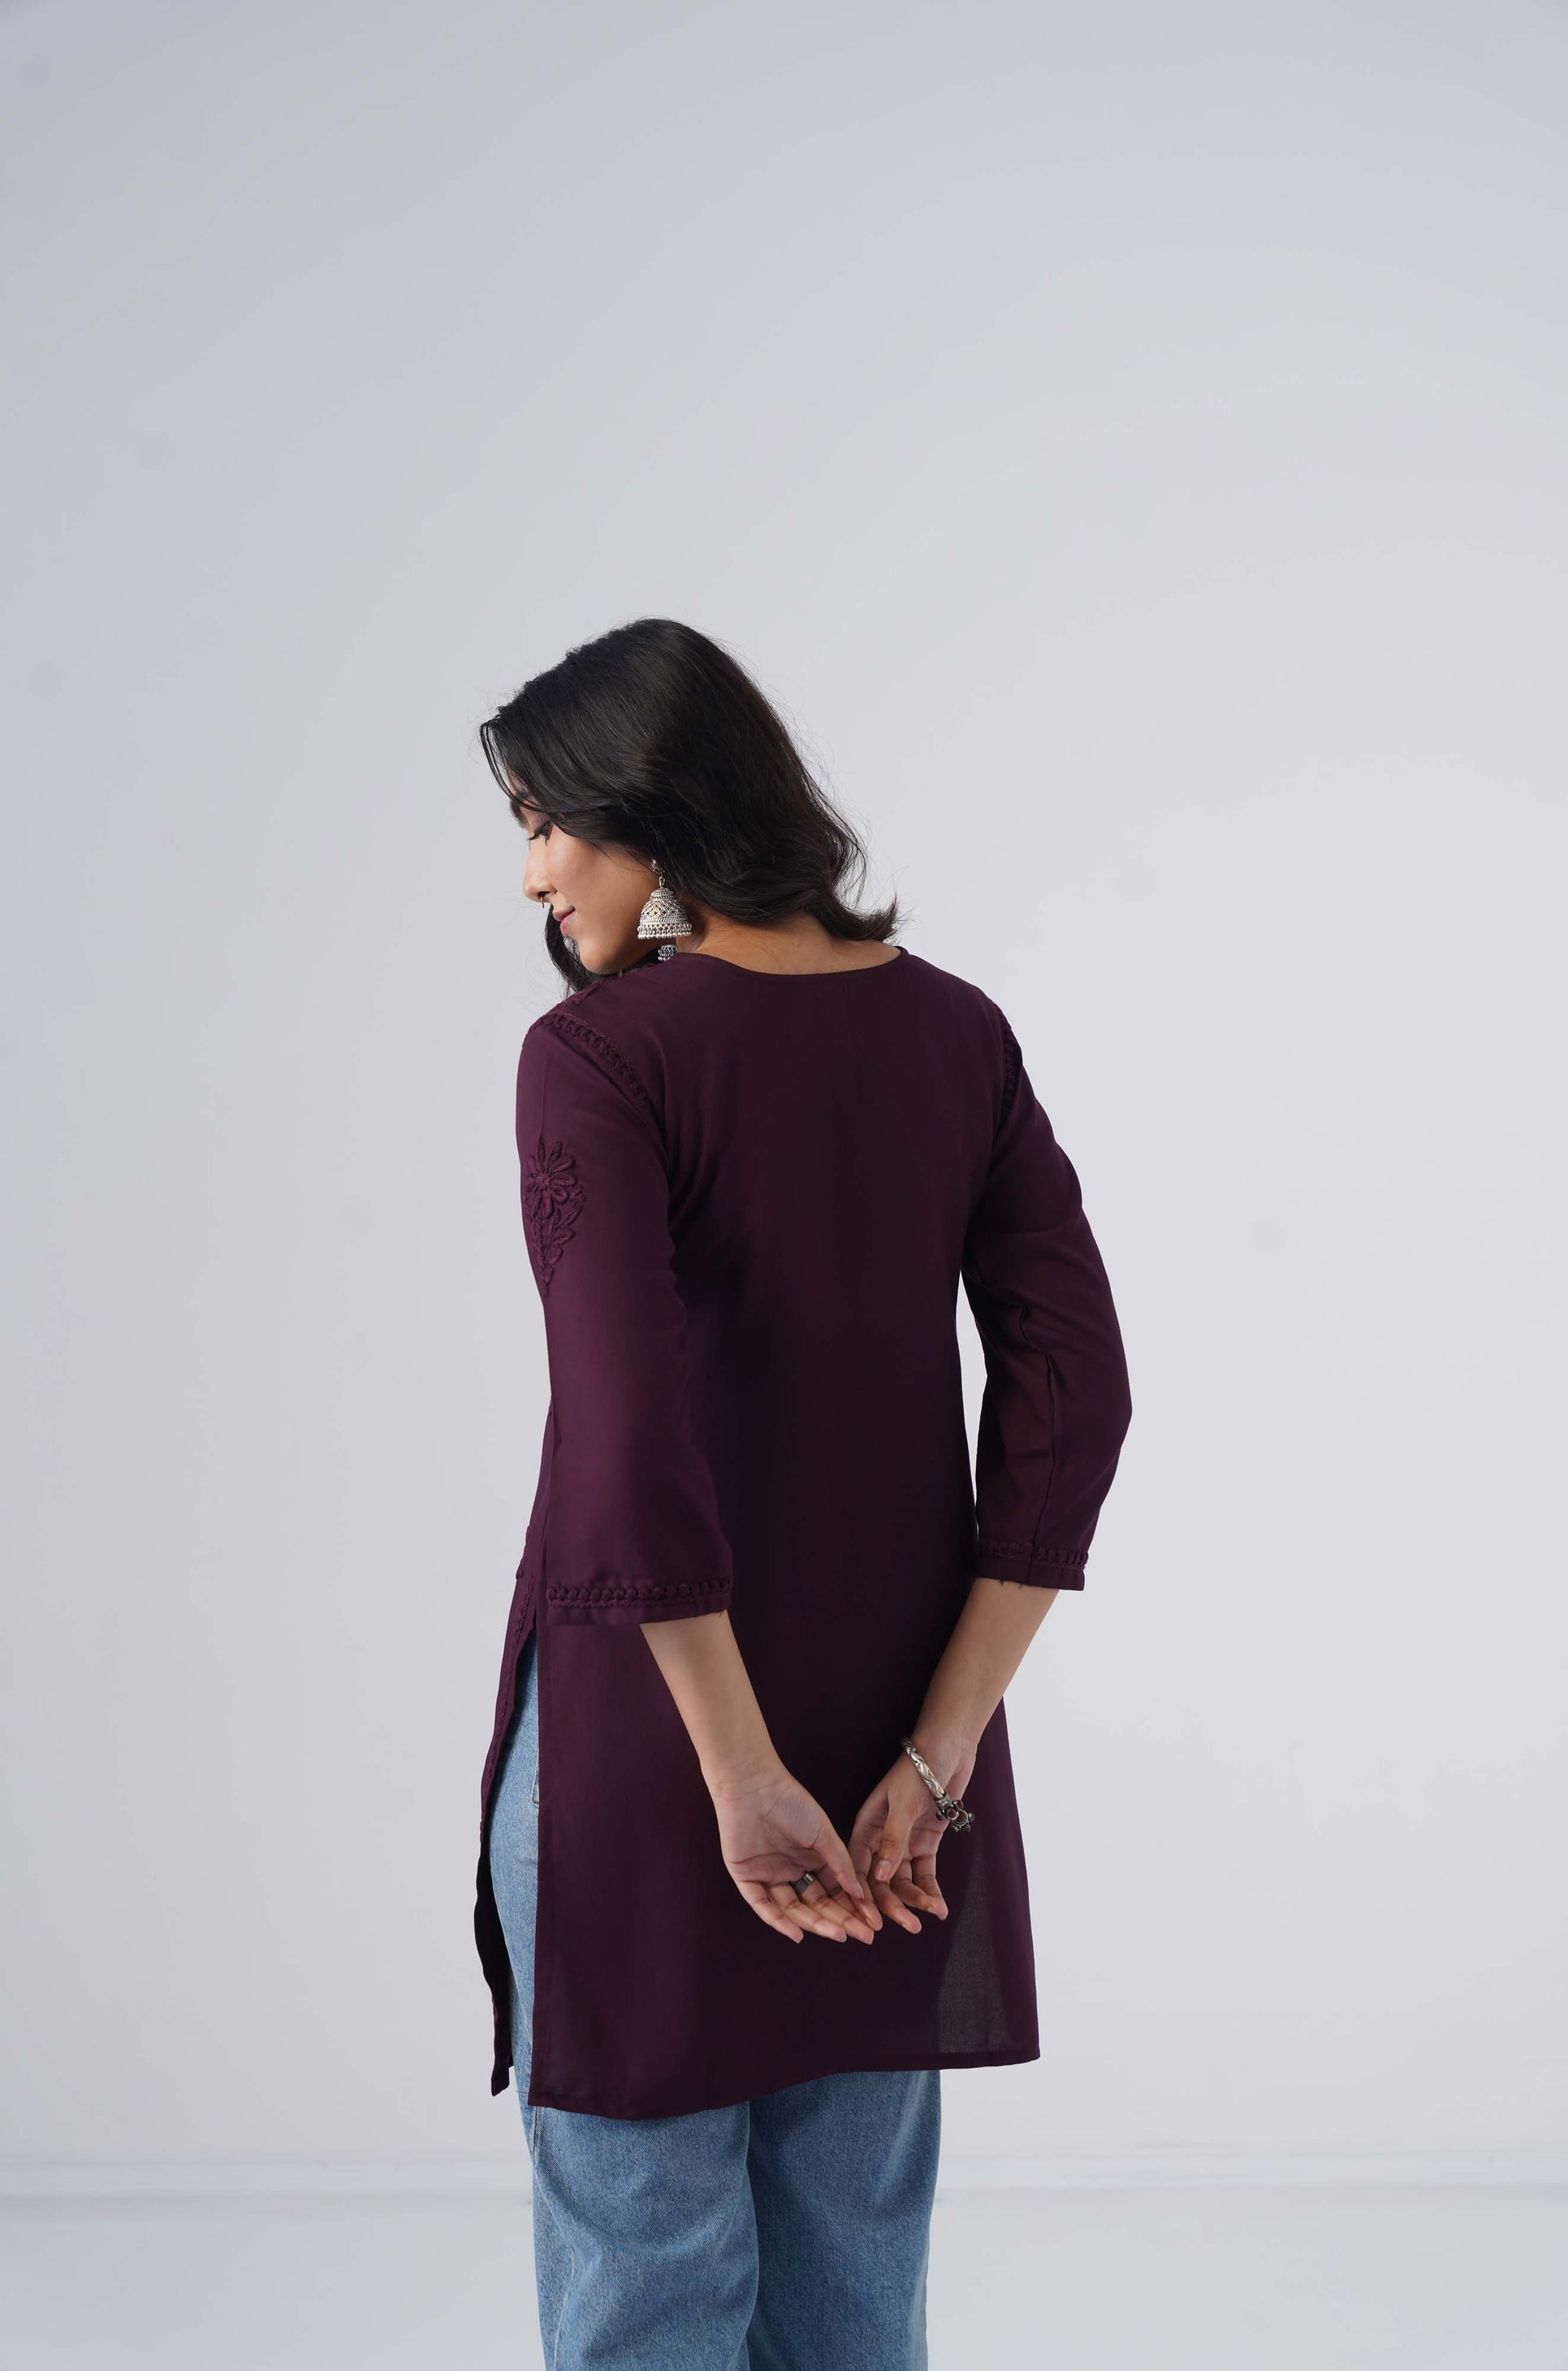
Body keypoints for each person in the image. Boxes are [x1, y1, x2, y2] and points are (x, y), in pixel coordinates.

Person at [473, 618, 1133, 2370]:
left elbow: (623, 1440)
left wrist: (736, 1774)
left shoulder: (603, 1056)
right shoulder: (956, 1033)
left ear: (648, 804)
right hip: (886, 1755)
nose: (532, 873)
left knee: (644, 2268)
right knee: (853, 2279)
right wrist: (939, 1750)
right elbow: (1074, 1398)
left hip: (652, 1741)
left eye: (544, 821)